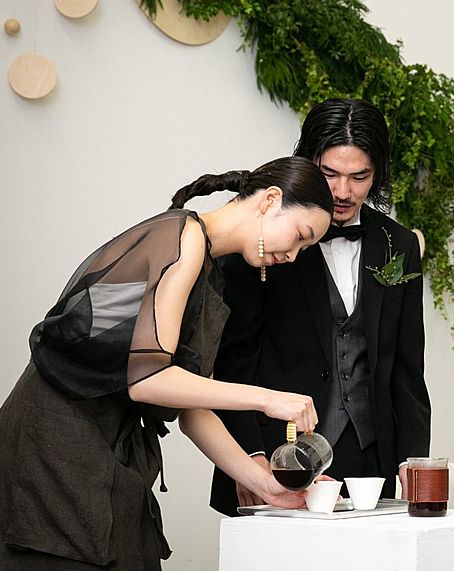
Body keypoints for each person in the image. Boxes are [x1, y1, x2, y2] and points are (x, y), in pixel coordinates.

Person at [0, 156, 333, 569]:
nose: (294, 255)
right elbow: (147, 379)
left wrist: (267, 486)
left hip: (106, 440)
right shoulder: (182, 236)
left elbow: (193, 411)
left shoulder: (209, 272)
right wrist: (268, 399)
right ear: (269, 200)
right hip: (54, 436)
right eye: (300, 236)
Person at [210, 99, 431, 516]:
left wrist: (412, 458)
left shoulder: (397, 245)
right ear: (308, 161)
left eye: (359, 177)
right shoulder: (264, 236)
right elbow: (234, 357)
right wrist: (249, 457)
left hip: (370, 461)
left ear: (378, 173)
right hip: (275, 454)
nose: (343, 192)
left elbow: (407, 368)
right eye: (330, 174)